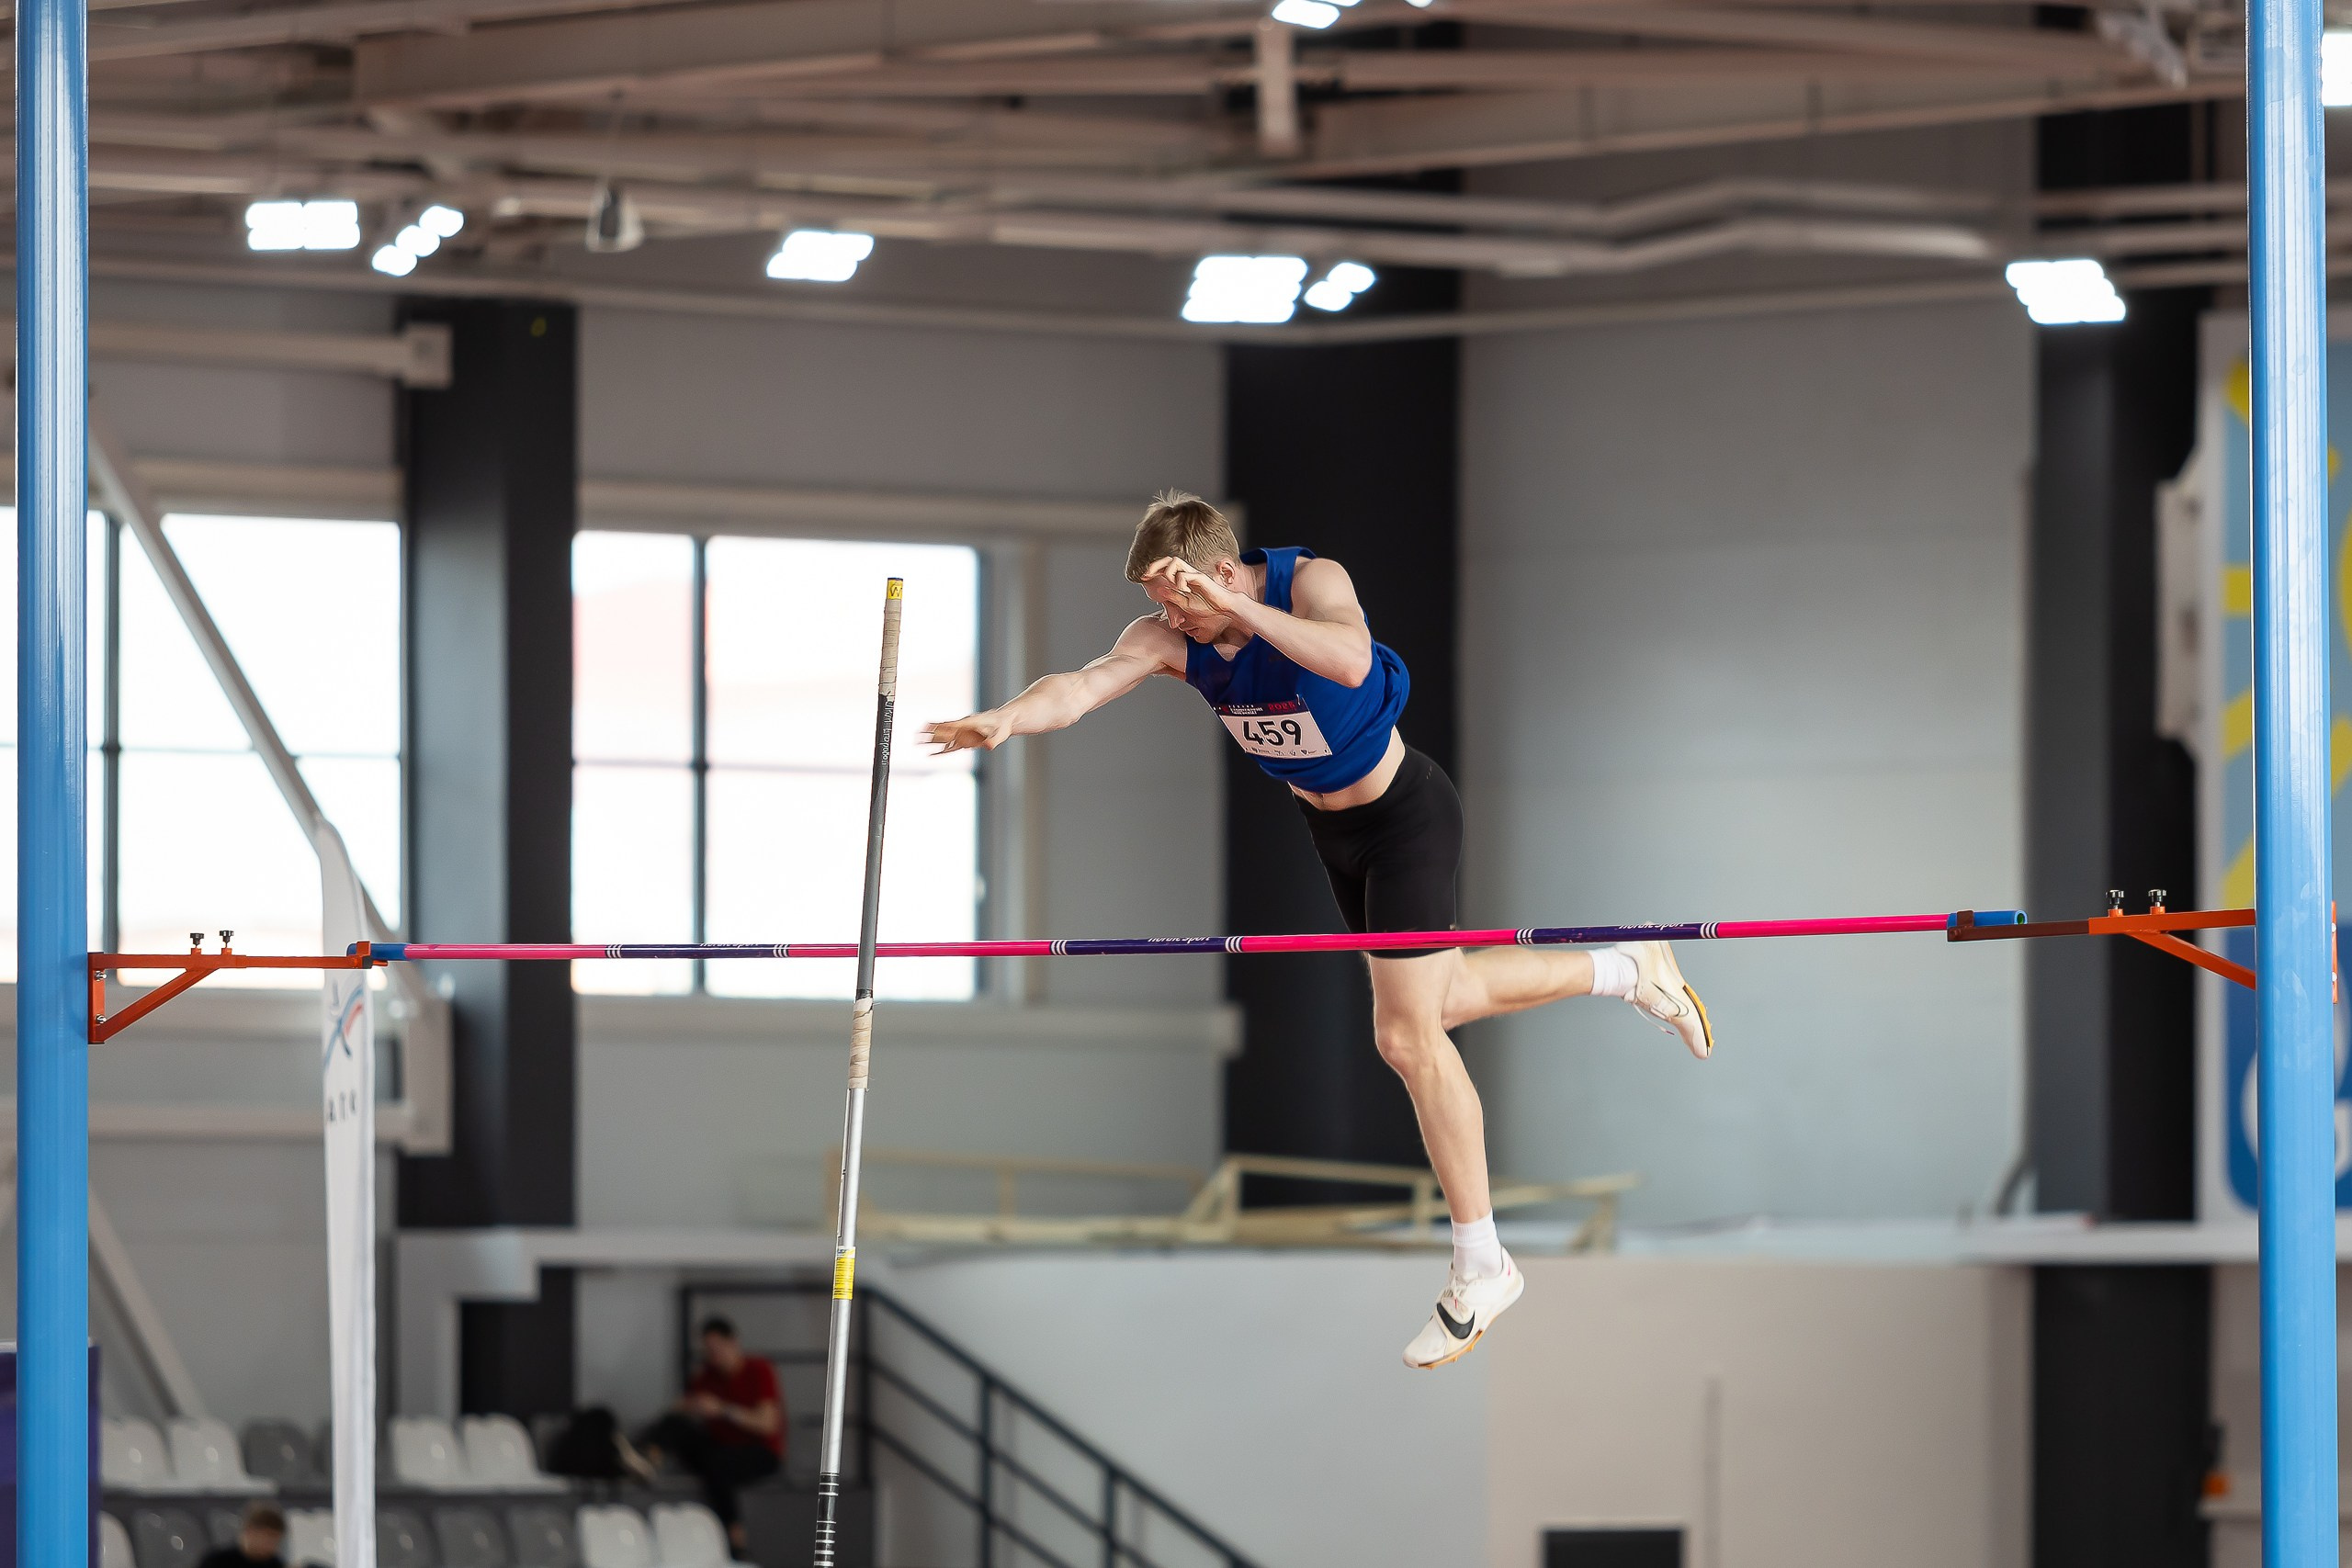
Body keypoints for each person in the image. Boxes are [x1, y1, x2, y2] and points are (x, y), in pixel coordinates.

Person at [924, 491, 1713, 1370]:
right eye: (1160, 603)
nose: (1169, 617)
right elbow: (1079, 688)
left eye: (1179, 598)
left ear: (1221, 573)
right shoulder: (1168, 639)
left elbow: (1348, 658)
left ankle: (1483, 1262)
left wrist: (1236, 609)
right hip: (1333, 836)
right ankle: (1628, 967)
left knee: (1406, 1037)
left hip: (1404, 817)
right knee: (1444, 999)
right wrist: (1006, 717)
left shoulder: (1309, 582)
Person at [639, 1316, 785, 1550]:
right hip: (720, 1449)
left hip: (759, 1452)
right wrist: (692, 1406)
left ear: (733, 1342)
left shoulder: (758, 1370)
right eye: (708, 1351)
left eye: (718, 1349)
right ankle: (647, 1457)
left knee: (718, 1464)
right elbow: (677, 1411)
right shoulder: (707, 1376)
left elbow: (768, 1424)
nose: (714, 1356)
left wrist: (723, 1410)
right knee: (677, 1426)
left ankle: (734, 1531)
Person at [198, 1504, 287, 1568]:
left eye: (276, 1541)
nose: (271, 1546)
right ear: (250, 1531)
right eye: (268, 1539)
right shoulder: (216, 1561)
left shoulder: (275, 1564)